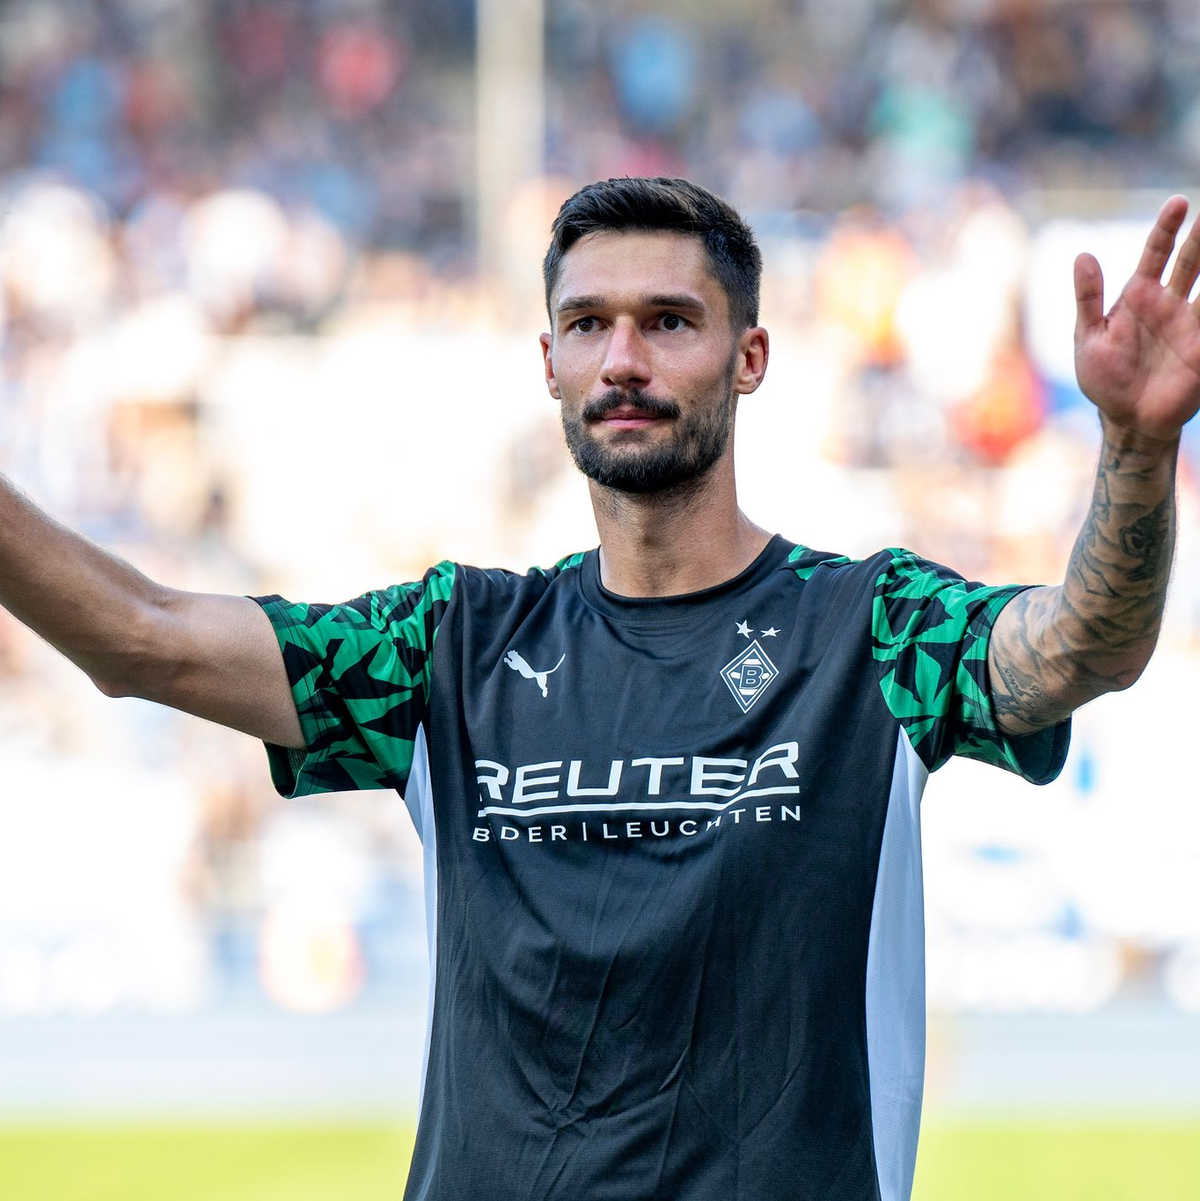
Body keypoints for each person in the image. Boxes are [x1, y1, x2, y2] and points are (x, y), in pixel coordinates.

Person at [1, 176, 1196, 1200]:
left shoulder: (872, 628)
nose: (623, 359)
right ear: (550, 362)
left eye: (669, 321)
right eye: (589, 324)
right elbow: (143, 639)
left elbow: (1083, 648)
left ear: (752, 356)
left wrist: (1137, 453)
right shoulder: (450, 646)